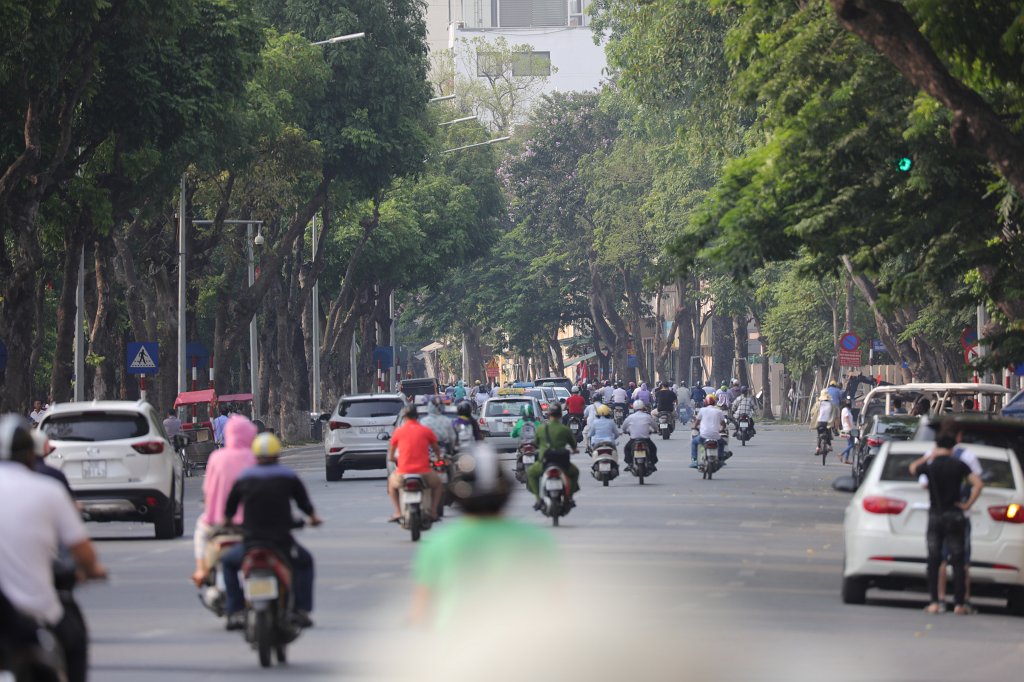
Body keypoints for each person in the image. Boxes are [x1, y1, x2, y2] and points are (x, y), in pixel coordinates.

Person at [0, 415, 107, 682]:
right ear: (30, 455)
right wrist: (92, 569)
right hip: (38, 609)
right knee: (75, 642)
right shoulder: (48, 490)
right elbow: (83, 552)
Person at [411, 442, 558, 628]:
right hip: (523, 646)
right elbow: (556, 606)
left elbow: (422, 614)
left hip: (456, 649)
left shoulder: (438, 544)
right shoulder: (537, 541)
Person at [221, 433, 322, 630]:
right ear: (278, 454)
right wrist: (313, 518)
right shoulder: (287, 476)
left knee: (227, 563)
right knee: (305, 562)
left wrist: (227, 523)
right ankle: (301, 610)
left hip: (251, 542)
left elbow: (229, 510)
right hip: (281, 543)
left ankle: (235, 610)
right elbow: (304, 504)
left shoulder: (244, 477)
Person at [909, 420, 983, 615]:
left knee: (934, 560)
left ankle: (934, 602)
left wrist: (929, 457)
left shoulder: (931, 466)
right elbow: (978, 484)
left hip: (936, 515)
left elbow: (912, 468)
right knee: (958, 560)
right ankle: (959, 603)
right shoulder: (959, 465)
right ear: (953, 445)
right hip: (955, 514)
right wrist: (967, 504)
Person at [191, 415, 258, 588]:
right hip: (251, 522)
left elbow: (208, 489)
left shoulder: (216, 457)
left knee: (201, 533)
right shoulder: (255, 458)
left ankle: (201, 570)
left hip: (220, 521)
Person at [388, 405, 444, 523]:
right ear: (417, 416)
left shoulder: (398, 431)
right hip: (424, 471)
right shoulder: (425, 430)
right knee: (438, 485)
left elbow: (391, 454)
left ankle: (398, 512)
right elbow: (436, 449)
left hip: (403, 472)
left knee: (392, 485)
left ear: (404, 417)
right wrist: (439, 459)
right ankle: (433, 511)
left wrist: (394, 459)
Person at [526, 404, 579, 506]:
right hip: (562, 463)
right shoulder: (565, 429)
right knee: (575, 472)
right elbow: (574, 445)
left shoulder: (541, 429)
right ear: (560, 415)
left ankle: (538, 499)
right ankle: (569, 498)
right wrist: (574, 450)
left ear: (549, 415)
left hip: (544, 462)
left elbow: (536, 444)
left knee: (531, 473)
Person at [621, 400, 658, 472]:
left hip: (634, 439)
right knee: (653, 449)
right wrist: (655, 430)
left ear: (634, 407)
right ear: (643, 407)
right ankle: (652, 463)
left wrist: (625, 431)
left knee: (627, 449)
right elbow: (655, 426)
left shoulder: (630, 417)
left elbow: (624, 427)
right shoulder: (647, 416)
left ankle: (630, 464)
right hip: (645, 439)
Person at [691, 395, 727, 468]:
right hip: (716, 436)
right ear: (714, 403)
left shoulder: (702, 410)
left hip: (703, 436)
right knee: (722, 443)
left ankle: (694, 460)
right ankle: (720, 459)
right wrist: (722, 429)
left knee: (694, 442)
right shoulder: (719, 411)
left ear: (705, 403)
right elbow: (723, 424)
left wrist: (694, 427)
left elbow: (697, 422)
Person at [814, 389, 834, 456]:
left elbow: (813, 412)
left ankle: (817, 448)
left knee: (818, 436)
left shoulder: (818, 404)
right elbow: (832, 414)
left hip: (819, 423)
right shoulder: (831, 404)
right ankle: (830, 446)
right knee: (828, 434)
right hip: (827, 423)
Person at [839, 398, 855, 464]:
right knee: (852, 444)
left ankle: (846, 459)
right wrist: (851, 427)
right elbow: (847, 419)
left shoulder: (847, 410)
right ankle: (841, 454)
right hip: (848, 429)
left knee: (849, 444)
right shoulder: (845, 410)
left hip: (848, 428)